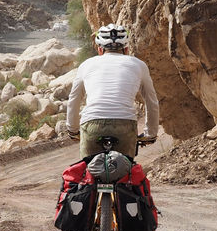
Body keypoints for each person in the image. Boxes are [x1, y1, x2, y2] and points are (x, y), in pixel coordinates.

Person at [66, 23, 159, 159]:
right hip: (125, 124)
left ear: (99, 50)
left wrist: (73, 130)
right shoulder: (139, 65)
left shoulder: (86, 65)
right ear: (126, 49)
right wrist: (151, 133)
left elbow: (73, 100)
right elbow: (151, 102)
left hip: (92, 124)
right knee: (126, 171)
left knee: (89, 171)